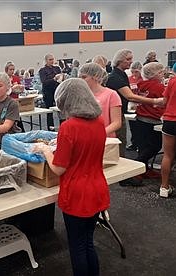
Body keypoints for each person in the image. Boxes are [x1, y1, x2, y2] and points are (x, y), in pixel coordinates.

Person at [33, 78, 110, 276]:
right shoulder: (99, 122)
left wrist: (44, 150)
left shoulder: (69, 127)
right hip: (97, 188)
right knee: (88, 243)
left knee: (77, 246)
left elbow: (58, 169)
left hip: (77, 194)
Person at [106, 49, 164, 186]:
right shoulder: (115, 77)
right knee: (120, 143)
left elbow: (133, 95)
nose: (131, 61)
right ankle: (125, 176)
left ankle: (134, 170)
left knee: (134, 144)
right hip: (120, 113)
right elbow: (130, 96)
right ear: (119, 60)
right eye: (128, 59)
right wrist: (155, 101)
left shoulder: (122, 75)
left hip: (136, 115)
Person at [134, 62, 166, 180]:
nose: (163, 75)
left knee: (143, 146)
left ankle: (143, 169)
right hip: (153, 119)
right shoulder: (159, 87)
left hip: (140, 118)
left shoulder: (140, 84)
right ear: (155, 74)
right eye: (161, 72)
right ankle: (137, 165)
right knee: (155, 146)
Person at [79, 63, 122, 137]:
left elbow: (116, 123)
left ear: (95, 76)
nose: (81, 80)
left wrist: (99, 134)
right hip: (85, 138)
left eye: (84, 77)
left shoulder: (111, 95)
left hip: (106, 139)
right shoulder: (81, 95)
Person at [160, 75, 176, 197]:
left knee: (167, 155)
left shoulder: (172, 81)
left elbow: (164, 101)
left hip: (170, 120)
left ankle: (164, 187)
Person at [38, 53, 63, 130]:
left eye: (52, 59)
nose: (52, 61)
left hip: (57, 90)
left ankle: (63, 127)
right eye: (50, 59)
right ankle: (50, 129)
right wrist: (53, 79)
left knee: (61, 110)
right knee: (49, 111)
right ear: (46, 61)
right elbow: (44, 82)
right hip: (48, 92)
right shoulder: (42, 71)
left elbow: (61, 77)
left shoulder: (57, 68)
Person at [126, 61, 143, 151]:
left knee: (139, 126)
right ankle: (134, 143)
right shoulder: (129, 79)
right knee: (132, 125)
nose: (134, 74)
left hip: (141, 104)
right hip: (132, 104)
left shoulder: (143, 79)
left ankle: (140, 144)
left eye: (136, 72)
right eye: (132, 72)